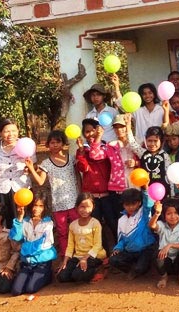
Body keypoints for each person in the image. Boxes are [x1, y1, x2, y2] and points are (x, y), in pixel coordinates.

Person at [24, 130, 79, 257]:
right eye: (52, 142)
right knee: (62, 231)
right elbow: (41, 181)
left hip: (74, 201)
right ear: (48, 145)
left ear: (63, 143)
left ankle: (80, 253)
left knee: (77, 228)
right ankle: (66, 255)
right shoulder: (46, 163)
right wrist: (32, 168)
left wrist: (80, 194)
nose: (55, 145)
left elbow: (77, 177)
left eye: (58, 142)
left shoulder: (71, 159)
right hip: (58, 203)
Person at [76, 119, 119, 251]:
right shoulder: (82, 150)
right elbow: (83, 168)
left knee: (112, 222)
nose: (90, 134)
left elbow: (99, 158)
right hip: (91, 195)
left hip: (107, 192)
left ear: (97, 130)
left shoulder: (106, 147)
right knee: (96, 224)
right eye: (86, 132)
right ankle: (103, 251)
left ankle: (120, 247)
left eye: (92, 130)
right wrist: (82, 153)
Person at [0, 119, 35, 229]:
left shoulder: (27, 145)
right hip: (0, 191)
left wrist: (29, 169)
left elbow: (34, 167)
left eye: (14, 131)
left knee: (23, 221)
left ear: (18, 131)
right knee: (2, 223)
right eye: (7, 131)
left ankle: (22, 245)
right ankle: (5, 245)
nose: (11, 134)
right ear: (0, 133)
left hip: (22, 190)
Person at [10, 189, 57, 296]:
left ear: (45, 207)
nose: (37, 209)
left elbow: (45, 244)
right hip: (27, 263)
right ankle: (31, 275)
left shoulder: (48, 223)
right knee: (16, 291)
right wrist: (20, 217)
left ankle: (48, 275)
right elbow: (16, 237)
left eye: (41, 206)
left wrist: (25, 248)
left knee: (31, 288)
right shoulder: (25, 221)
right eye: (35, 205)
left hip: (42, 262)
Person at [57, 193, 107, 284]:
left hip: (94, 256)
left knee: (77, 276)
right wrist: (65, 260)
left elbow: (98, 245)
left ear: (93, 207)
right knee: (62, 276)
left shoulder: (95, 223)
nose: (85, 210)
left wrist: (85, 258)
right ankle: (79, 271)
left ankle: (98, 269)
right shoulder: (73, 225)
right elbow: (70, 245)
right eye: (82, 207)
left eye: (88, 207)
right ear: (76, 207)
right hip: (78, 256)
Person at [109, 189, 156, 280]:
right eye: (127, 205)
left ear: (139, 203)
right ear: (123, 205)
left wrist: (145, 189)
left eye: (133, 204)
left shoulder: (143, 213)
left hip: (145, 249)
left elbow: (148, 202)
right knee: (113, 260)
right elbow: (122, 239)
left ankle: (141, 268)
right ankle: (133, 270)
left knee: (141, 267)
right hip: (130, 251)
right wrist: (118, 248)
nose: (130, 207)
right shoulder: (121, 220)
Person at [149, 196, 179, 288]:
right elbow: (152, 225)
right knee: (157, 254)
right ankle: (163, 277)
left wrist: (169, 245)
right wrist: (157, 213)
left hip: (178, 262)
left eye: (176, 213)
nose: (173, 216)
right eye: (169, 213)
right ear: (164, 215)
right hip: (165, 262)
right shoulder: (161, 225)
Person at [128, 126, 173, 196]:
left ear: (161, 141)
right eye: (149, 141)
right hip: (146, 191)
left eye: (155, 141)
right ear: (145, 141)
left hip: (162, 191)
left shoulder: (165, 155)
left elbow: (169, 174)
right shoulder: (142, 153)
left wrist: (172, 193)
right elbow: (132, 144)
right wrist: (128, 127)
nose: (152, 144)